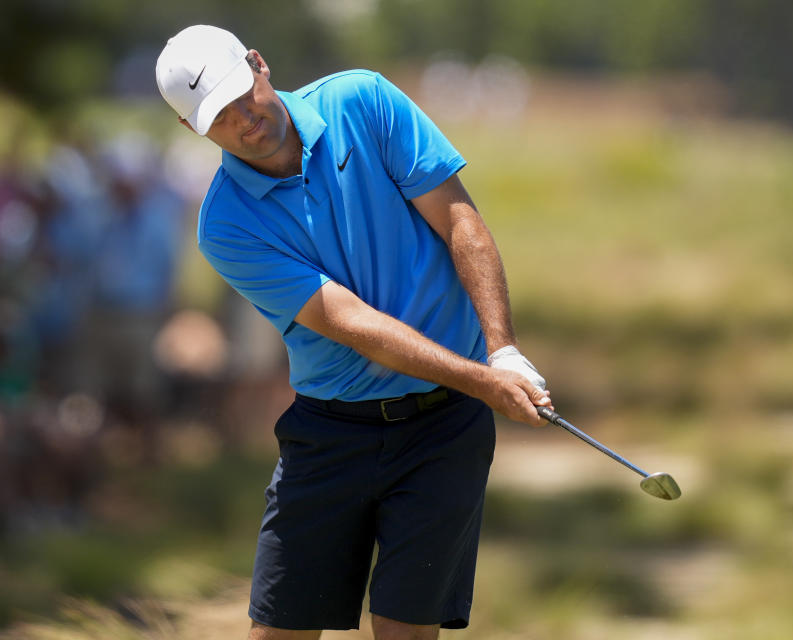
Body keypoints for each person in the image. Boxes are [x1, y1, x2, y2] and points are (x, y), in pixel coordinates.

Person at [155, 24, 552, 640]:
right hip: (332, 431)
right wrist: (482, 380)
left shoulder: (361, 101)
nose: (243, 120)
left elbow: (461, 222)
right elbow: (350, 324)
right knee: (279, 633)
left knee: (404, 632)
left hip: (443, 429)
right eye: (217, 117)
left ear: (259, 63)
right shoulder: (225, 225)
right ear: (191, 130)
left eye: (242, 95)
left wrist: (504, 351)